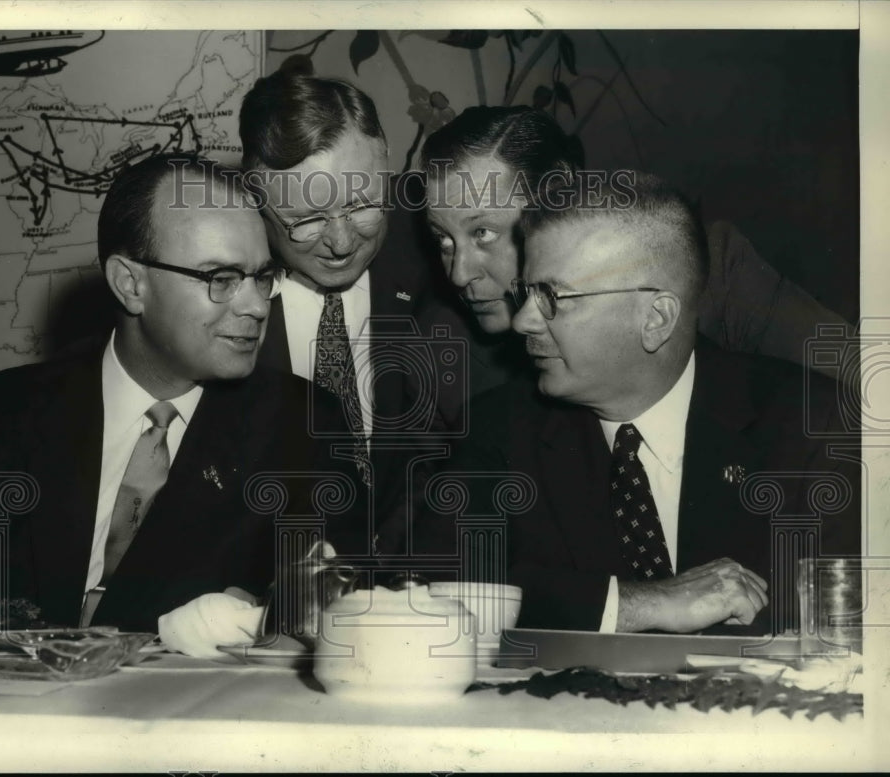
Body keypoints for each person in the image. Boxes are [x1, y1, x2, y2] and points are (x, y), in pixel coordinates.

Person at [0, 153, 365, 637]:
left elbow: (335, 615)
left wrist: (270, 620)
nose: (257, 306)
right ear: (130, 284)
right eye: (221, 279)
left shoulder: (305, 430)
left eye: (262, 277)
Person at [422, 171, 859, 635]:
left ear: (656, 318)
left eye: (551, 296)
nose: (523, 321)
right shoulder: (499, 429)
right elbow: (436, 590)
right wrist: (642, 604)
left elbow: (851, 624)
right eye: (526, 293)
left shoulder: (816, 428)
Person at [417, 106, 854, 430]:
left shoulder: (709, 271)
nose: (459, 274)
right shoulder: (440, 351)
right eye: (443, 239)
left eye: (483, 233)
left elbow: (864, 385)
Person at [239, 69, 442, 555]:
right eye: (307, 220)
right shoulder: (219, 294)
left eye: (363, 206)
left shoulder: (442, 260)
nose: (343, 242)